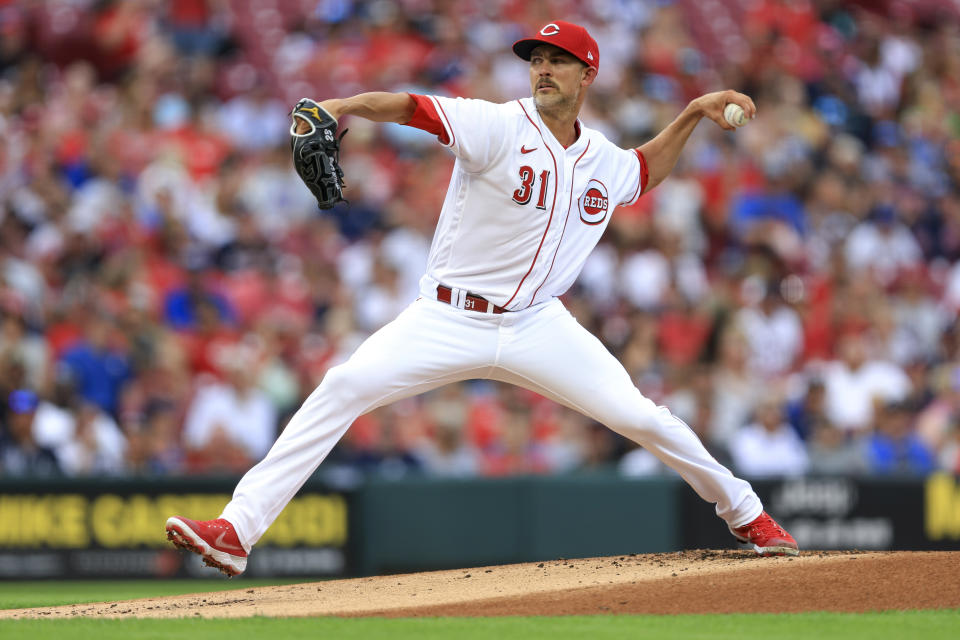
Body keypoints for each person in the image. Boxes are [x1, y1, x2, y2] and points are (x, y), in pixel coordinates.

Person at [166, 20, 798, 576]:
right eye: (535, 59)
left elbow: (643, 172)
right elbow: (412, 108)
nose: (542, 69)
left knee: (641, 417)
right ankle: (237, 531)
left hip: (539, 325)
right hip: (447, 315)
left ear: (588, 75)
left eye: (557, 61)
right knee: (343, 386)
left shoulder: (602, 158)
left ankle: (749, 515)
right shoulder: (497, 124)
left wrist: (690, 114)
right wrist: (342, 105)